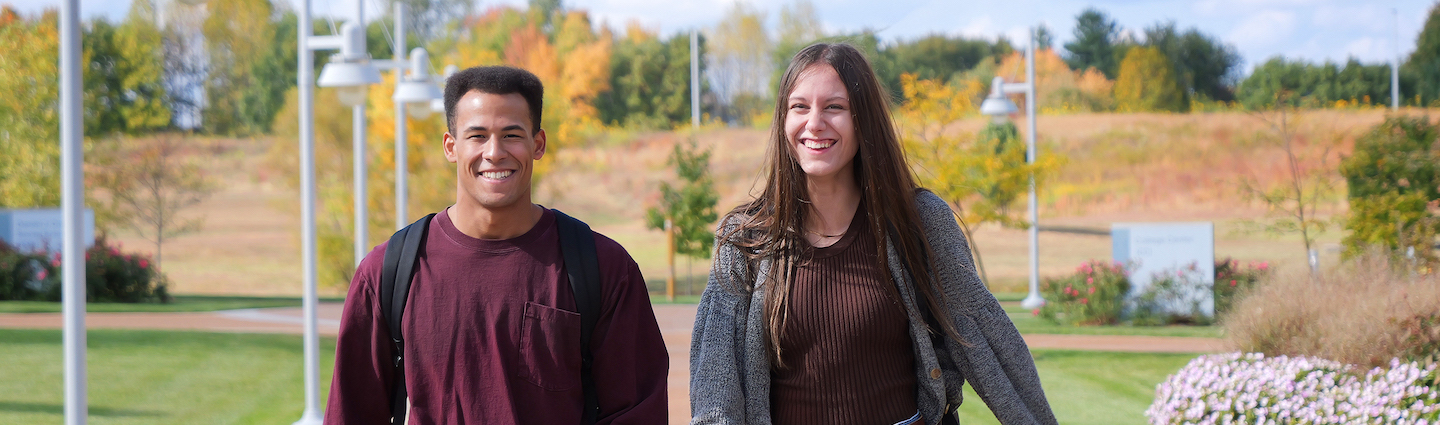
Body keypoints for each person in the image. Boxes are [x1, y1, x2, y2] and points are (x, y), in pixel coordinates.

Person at [689, 43, 1057, 425]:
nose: (815, 123)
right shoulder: (745, 239)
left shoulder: (919, 223)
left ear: (863, 119)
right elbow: (716, 385)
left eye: (834, 107)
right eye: (799, 107)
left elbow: (987, 338)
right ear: (783, 121)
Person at [325, 65, 668, 424]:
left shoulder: (603, 268)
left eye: (511, 134)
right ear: (450, 147)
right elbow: (350, 413)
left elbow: (638, 412)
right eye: (477, 135)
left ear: (538, 144)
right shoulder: (388, 272)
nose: (494, 152)